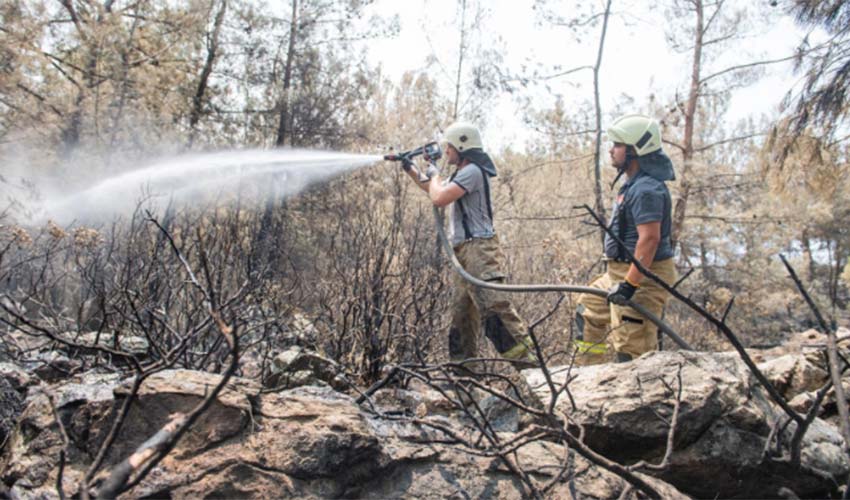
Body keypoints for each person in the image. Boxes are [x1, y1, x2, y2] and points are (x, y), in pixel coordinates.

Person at [399, 122, 535, 370]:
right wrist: (410, 168)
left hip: (479, 251)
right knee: (461, 317)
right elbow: (433, 189)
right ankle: (465, 379)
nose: (446, 151)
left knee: (495, 313)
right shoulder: (460, 174)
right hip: (464, 251)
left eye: (449, 147)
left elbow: (439, 197)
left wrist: (434, 173)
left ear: (461, 146)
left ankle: (532, 372)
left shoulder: (473, 171)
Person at [574, 114, 678, 364]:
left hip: (644, 277)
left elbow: (650, 239)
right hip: (619, 273)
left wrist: (630, 285)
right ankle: (587, 375)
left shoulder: (646, 190)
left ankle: (641, 398)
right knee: (588, 309)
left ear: (636, 150)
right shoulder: (634, 184)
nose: (611, 151)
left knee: (631, 347)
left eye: (618, 145)